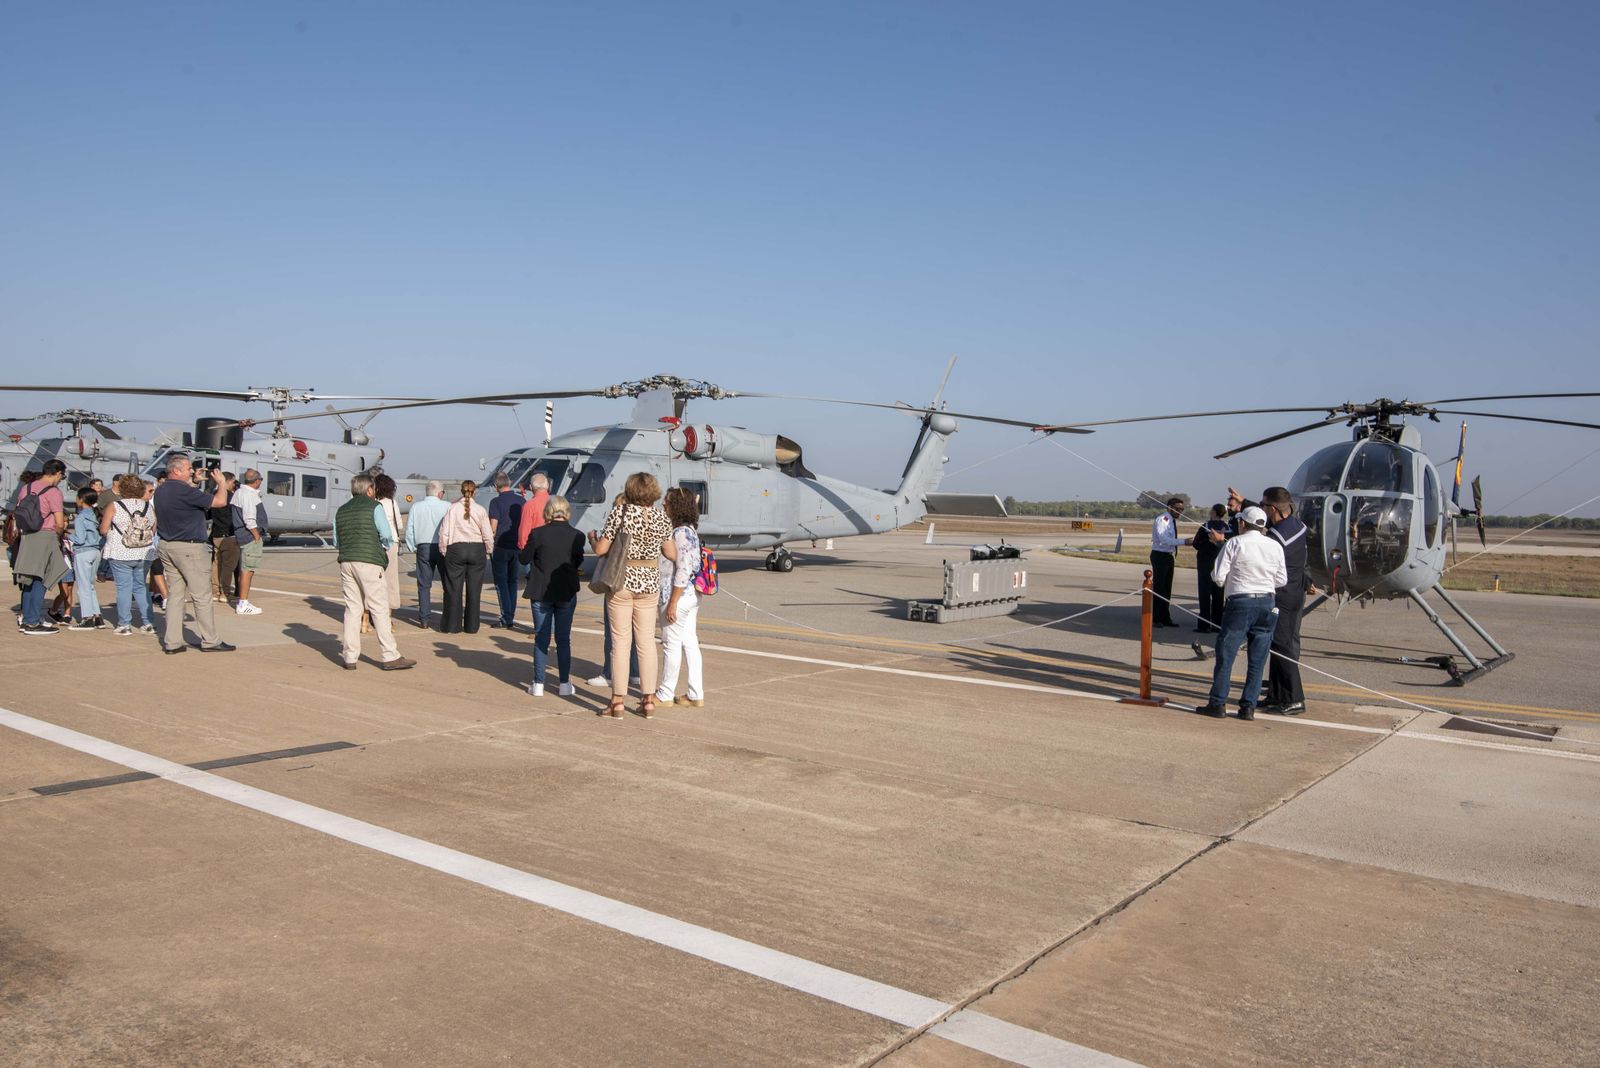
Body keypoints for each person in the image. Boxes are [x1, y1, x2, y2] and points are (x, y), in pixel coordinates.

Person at [591, 472, 676, 718]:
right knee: (647, 642)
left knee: (620, 642)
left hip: (622, 580)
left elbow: (602, 550)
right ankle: (648, 699)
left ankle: (617, 701)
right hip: (649, 582)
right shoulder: (662, 517)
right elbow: (670, 553)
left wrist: (594, 539)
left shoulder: (621, 513)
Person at [1197, 506, 1286, 720]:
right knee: (1257, 659)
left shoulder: (1235, 543)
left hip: (1240, 602)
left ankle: (1218, 703)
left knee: (1226, 654)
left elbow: (1217, 576)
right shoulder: (1275, 546)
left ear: (1242, 524)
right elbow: (1282, 580)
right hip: (1267, 602)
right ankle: (1248, 706)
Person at [333, 474, 415, 671]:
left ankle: (350, 657)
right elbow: (386, 535)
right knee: (379, 607)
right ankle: (390, 655)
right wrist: (383, 549)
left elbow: (336, 540)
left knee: (353, 609)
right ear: (369, 490)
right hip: (369, 561)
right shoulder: (374, 507)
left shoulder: (341, 510)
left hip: (347, 561)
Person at [153, 454, 234, 654]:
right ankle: (210, 640)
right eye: (188, 469)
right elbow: (220, 502)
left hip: (167, 545)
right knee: (201, 596)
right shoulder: (185, 492)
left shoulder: (162, 489)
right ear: (177, 470)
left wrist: (194, 481)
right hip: (189, 548)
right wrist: (222, 483)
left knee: (175, 595)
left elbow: (183, 497)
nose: (192, 471)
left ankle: (172, 642)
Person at [520, 494, 585, 697]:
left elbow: (524, 558)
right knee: (563, 639)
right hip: (565, 590)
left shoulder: (538, 533)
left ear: (548, 512)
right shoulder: (577, 535)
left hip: (541, 590)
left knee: (542, 637)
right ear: (566, 512)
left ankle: (538, 683)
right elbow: (577, 562)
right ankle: (564, 683)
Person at [1259, 486, 1310, 716]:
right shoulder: (1297, 525)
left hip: (1282, 596)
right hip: (1295, 593)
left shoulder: (1277, 535)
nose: (1262, 509)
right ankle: (1277, 694)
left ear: (1272, 508)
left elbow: (1262, 554)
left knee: (1282, 646)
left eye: (1263, 505)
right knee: (1278, 645)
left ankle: (1294, 698)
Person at [655, 487, 705, 708]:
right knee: (689, 642)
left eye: (667, 502)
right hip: (691, 594)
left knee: (671, 644)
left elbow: (683, 569)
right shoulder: (691, 530)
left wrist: (672, 602)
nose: (663, 504)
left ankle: (665, 693)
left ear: (675, 506)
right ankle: (695, 693)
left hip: (679, 594)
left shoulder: (680, 533)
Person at [12, 460, 70, 635]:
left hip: (27, 536)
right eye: (62, 475)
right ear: (58, 473)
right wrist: (58, 535)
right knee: (41, 580)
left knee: (28, 580)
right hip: (45, 536)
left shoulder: (27, 488)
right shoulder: (53, 492)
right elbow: (60, 522)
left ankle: (28, 618)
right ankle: (32, 621)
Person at [101, 474, 157, 635]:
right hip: (144, 552)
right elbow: (153, 530)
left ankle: (124, 624)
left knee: (124, 588)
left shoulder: (115, 505)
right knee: (140, 587)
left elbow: (104, 529)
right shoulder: (148, 507)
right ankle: (148, 622)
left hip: (120, 551)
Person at [436, 480, 492, 634]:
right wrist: (488, 549)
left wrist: (444, 551)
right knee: (474, 590)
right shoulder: (480, 510)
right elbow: (487, 534)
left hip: (456, 548)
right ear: (474, 492)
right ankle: (472, 626)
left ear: (461, 491)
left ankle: (452, 626)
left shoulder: (452, 509)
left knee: (454, 589)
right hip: (476, 548)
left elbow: (444, 533)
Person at [403, 480, 450, 629]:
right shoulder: (447, 506)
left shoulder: (416, 507)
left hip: (423, 546)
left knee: (424, 585)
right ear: (439, 493)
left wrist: (412, 546)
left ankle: (424, 618)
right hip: (443, 546)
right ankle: (448, 616)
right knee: (447, 583)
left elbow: (409, 529)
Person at [486, 473, 523, 629]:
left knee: (501, 582)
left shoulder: (495, 502)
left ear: (496, 486)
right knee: (512, 581)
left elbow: (493, 528)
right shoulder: (522, 500)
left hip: (501, 546)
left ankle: (506, 617)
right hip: (517, 546)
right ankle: (511, 615)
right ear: (510, 483)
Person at [68, 486, 107, 629]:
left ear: (81, 499)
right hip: (95, 551)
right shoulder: (94, 514)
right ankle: (97, 616)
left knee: (83, 587)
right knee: (90, 586)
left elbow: (80, 538)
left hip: (83, 552)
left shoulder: (80, 517)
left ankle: (87, 617)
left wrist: (67, 535)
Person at [1191, 503, 1230, 633]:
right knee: (1219, 594)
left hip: (1205, 562)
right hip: (1220, 562)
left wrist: (1206, 547)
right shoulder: (1227, 527)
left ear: (1213, 512)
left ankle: (1204, 624)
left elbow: (1196, 543)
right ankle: (1217, 624)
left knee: (1204, 593)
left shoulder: (1206, 526)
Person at [231, 468, 265, 615]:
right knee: (248, 570)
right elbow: (249, 518)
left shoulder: (239, 492)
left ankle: (243, 600)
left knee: (246, 568)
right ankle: (243, 603)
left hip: (243, 536)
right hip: (249, 537)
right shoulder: (248, 495)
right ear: (257, 481)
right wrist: (256, 535)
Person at [1149, 496, 1184, 627]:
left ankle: (1165, 617)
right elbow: (1164, 539)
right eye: (1177, 509)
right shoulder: (1162, 520)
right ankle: (1156, 618)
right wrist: (1183, 542)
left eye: (1182, 509)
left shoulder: (1171, 521)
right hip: (1160, 556)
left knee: (1167, 589)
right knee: (1160, 588)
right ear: (1169, 508)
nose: (1180, 512)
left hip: (1169, 556)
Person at [209, 472, 241, 606]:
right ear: (227, 481)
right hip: (230, 535)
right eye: (233, 482)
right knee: (229, 566)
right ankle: (225, 592)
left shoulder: (213, 496)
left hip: (216, 534)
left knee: (216, 564)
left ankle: (214, 591)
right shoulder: (233, 497)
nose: (234, 484)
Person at [515, 472, 552, 550]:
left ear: (531, 487)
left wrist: (523, 548)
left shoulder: (529, 505)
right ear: (548, 486)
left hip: (537, 548)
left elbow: (524, 530)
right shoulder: (557, 502)